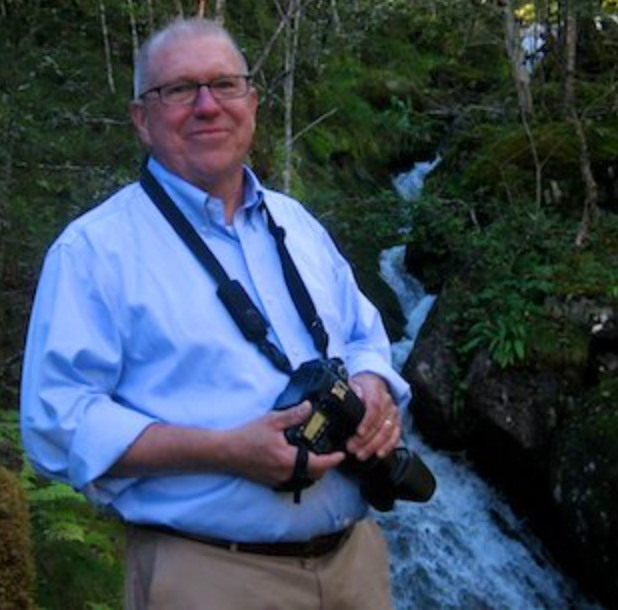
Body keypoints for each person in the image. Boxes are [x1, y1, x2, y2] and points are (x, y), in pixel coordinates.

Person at [21, 17, 411, 610]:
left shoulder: (297, 224)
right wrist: (222, 450)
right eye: (179, 89)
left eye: (225, 84)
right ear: (141, 119)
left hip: (355, 565)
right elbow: (57, 423)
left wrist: (372, 387)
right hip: (208, 576)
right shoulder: (93, 251)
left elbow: (364, 337)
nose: (208, 106)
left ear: (251, 102)